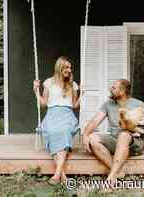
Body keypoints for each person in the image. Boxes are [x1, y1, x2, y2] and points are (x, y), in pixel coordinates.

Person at [82, 79, 144, 184]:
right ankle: (117, 172)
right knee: (93, 139)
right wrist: (85, 134)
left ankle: (111, 178)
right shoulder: (108, 104)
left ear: (122, 91)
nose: (110, 89)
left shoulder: (138, 104)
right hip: (115, 140)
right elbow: (95, 121)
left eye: (114, 88)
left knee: (124, 135)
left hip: (135, 142)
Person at [33, 56, 81, 184]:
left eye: (70, 68)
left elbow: (75, 105)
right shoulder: (49, 82)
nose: (69, 70)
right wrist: (35, 90)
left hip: (67, 114)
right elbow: (43, 103)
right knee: (53, 131)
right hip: (52, 114)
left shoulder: (73, 85)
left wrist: (83, 95)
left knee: (64, 131)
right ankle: (62, 175)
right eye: (66, 67)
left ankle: (57, 174)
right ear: (59, 67)